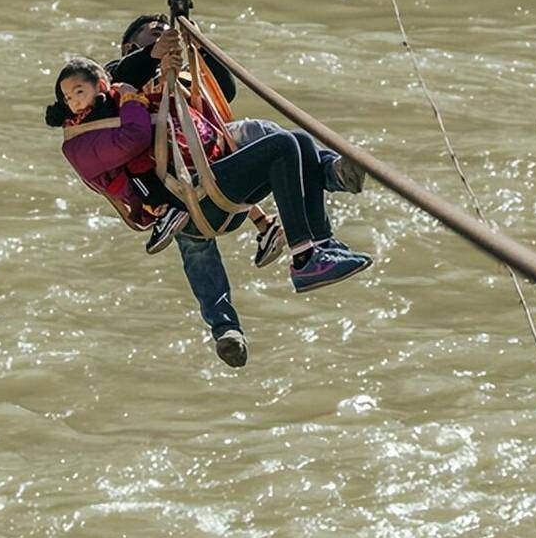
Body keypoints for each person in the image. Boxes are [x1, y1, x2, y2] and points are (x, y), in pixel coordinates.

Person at [46, 23, 371, 368]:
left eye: (164, 31)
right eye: (153, 33)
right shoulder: (113, 88)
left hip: (215, 169)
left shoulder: (179, 75)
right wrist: (152, 57)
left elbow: (224, 91)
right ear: (129, 45)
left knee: (295, 141)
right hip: (182, 194)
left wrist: (198, 44)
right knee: (203, 242)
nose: (161, 37)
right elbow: (120, 81)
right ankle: (241, 312)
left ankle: (323, 235)